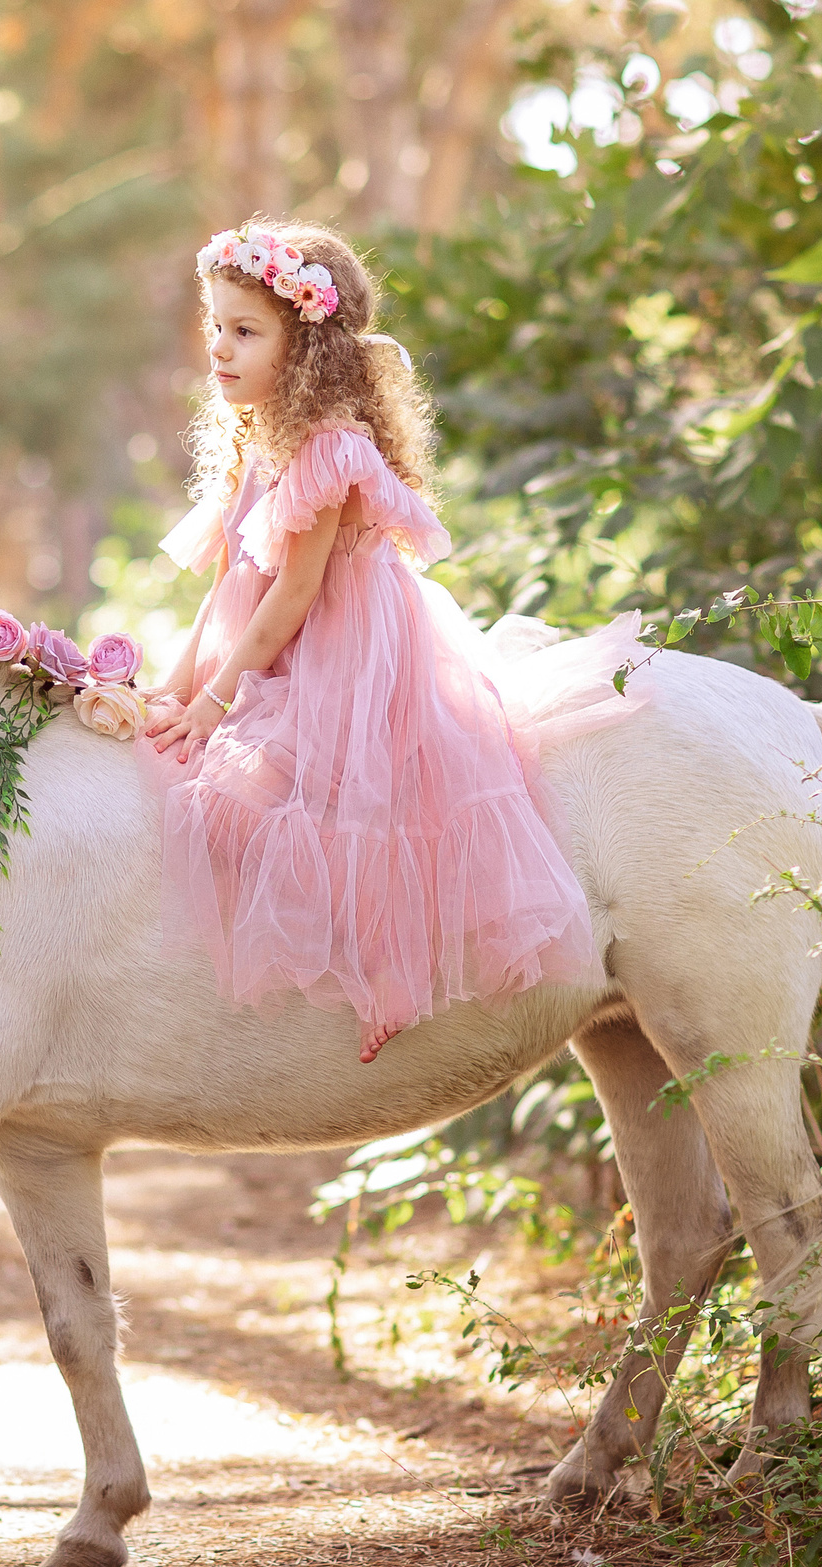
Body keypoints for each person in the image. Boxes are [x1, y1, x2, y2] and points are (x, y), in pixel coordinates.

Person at [145, 220, 610, 1064]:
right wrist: (177, 686)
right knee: (180, 761)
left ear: (306, 346)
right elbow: (228, 584)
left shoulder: (328, 449)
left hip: (351, 652)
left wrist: (216, 703)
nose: (219, 347)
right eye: (215, 325)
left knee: (319, 801)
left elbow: (293, 594)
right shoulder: (255, 434)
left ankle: (385, 976)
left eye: (245, 331)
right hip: (277, 639)